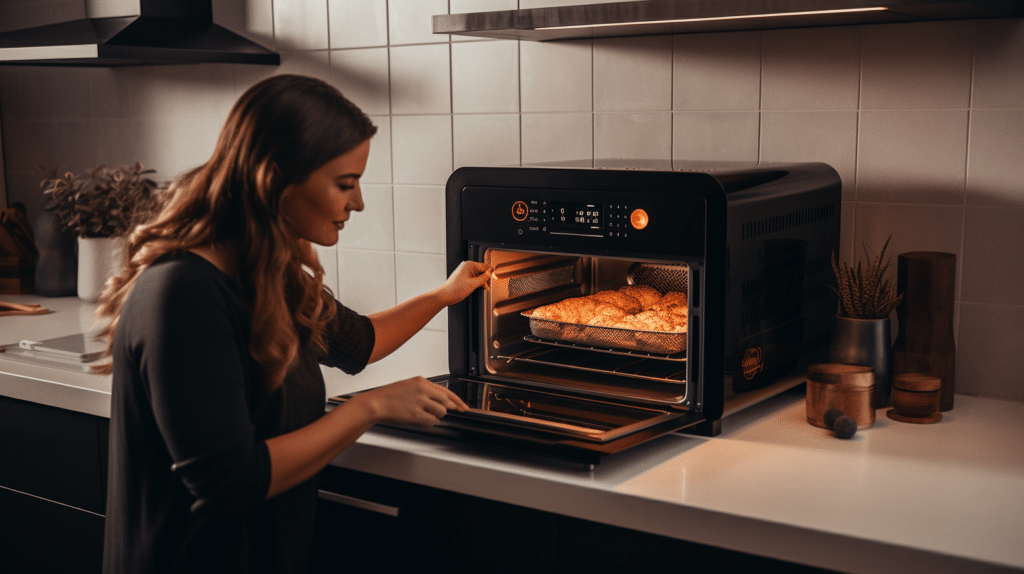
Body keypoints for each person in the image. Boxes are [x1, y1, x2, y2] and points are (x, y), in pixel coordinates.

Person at [96, 74, 490, 574]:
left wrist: (444, 295)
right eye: (345, 184)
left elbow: (360, 342)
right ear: (274, 179)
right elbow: (232, 481)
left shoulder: (263, 274)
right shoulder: (185, 292)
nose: (359, 202)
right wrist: (369, 408)